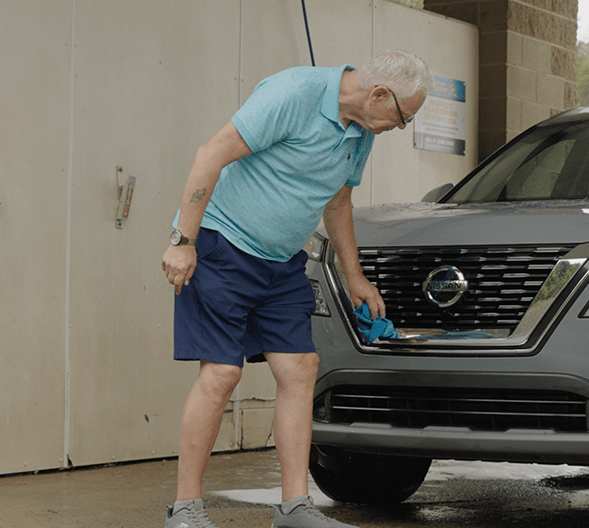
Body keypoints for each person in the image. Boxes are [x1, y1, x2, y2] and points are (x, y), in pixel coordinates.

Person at [160, 50, 432, 528]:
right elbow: (211, 153)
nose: (398, 127)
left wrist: (356, 277)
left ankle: (294, 511)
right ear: (378, 95)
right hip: (223, 245)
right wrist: (183, 241)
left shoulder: (360, 131)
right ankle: (185, 511)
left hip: (282, 261)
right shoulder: (293, 93)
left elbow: (339, 200)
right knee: (222, 374)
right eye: (403, 118)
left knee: (301, 369)